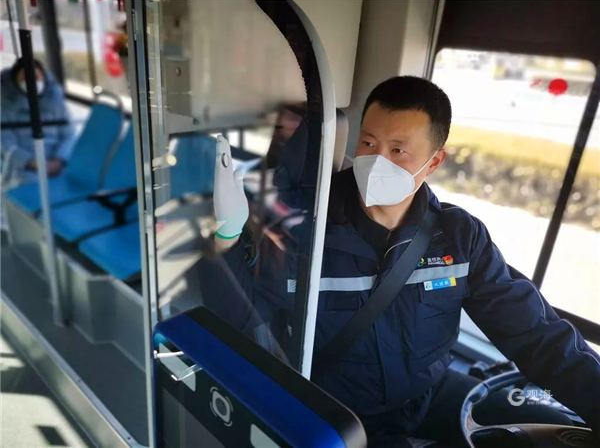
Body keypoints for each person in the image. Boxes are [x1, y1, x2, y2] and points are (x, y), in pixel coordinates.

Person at [209, 76, 600, 447]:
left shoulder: (459, 236)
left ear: (434, 162)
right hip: (347, 411)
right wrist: (227, 238)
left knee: (550, 422)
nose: (377, 160)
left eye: (398, 150)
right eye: (368, 142)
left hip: (428, 392)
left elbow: (536, 333)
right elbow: (245, 322)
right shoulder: (299, 227)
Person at [1, 57, 75, 190]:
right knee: (34, 189)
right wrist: (33, 163)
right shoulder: (5, 105)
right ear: (15, 80)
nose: (32, 81)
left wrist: (59, 160)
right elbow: (6, 143)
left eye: (36, 77)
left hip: (57, 161)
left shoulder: (55, 101)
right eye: (25, 78)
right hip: (23, 166)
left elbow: (69, 134)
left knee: (77, 182)